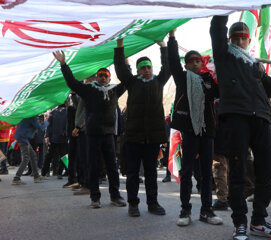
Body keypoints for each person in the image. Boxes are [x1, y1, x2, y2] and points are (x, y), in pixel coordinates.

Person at [210, 16, 271, 240]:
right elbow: (216, 27)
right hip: (236, 117)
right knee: (238, 170)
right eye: (235, 37)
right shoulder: (223, 56)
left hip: (261, 117)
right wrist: (225, 9)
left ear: (248, 40)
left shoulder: (255, 64)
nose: (240, 40)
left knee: (265, 170)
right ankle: (240, 223)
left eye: (244, 37)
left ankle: (259, 221)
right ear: (229, 39)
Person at [53, 50, 127, 209]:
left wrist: (125, 63)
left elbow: (127, 80)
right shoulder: (89, 90)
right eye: (100, 75)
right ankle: (95, 198)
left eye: (105, 75)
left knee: (112, 167)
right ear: (96, 77)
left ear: (109, 77)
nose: (103, 77)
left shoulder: (114, 91)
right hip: (92, 134)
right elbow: (72, 83)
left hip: (108, 135)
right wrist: (63, 64)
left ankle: (116, 196)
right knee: (93, 166)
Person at [167, 29, 222, 226]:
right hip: (189, 132)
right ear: (186, 65)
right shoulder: (181, 78)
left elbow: (219, 90)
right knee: (187, 171)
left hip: (207, 132)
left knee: (207, 173)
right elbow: (172, 61)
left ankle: (206, 211)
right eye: (191, 61)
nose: (196, 63)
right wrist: (172, 38)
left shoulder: (209, 81)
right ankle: (185, 210)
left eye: (199, 61)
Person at [114, 38, 170, 217]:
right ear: (138, 70)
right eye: (143, 67)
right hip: (134, 136)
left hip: (152, 137)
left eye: (149, 67)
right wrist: (120, 47)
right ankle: (133, 203)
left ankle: (153, 203)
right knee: (132, 173)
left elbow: (168, 66)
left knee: (151, 172)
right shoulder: (132, 82)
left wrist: (163, 46)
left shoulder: (159, 82)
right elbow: (121, 69)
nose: (146, 70)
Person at [12, 116, 48, 185]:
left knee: (33, 155)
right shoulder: (33, 117)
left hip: (22, 138)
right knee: (26, 158)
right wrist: (46, 120)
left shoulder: (28, 114)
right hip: (23, 138)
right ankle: (16, 178)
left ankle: (36, 177)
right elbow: (41, 127)